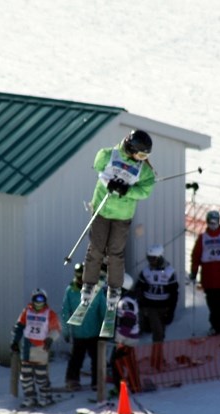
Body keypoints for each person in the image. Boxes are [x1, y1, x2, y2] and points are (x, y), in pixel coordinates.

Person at [80, 130, 156, 312]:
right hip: (102, 209)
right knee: (96, 249)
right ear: (131, 148)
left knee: (116, 253)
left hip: (122, 215)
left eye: (146, 155)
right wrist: (111, 182)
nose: (142, 158)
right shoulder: (109, 155)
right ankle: (89, 284)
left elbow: (146, 189)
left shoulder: (143, 169)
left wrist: (127, 190)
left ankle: (114, 288)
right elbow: (98, 165)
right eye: (141, 153)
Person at [10, 288, 61, 408]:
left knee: (40, 376)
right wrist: (14, 342)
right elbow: (19, 327)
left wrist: (50, 338)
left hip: (41, 347)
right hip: (27, 346)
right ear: (32, 300)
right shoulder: (26, 312)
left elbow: (56, 330)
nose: (39, 302)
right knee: (26, 376)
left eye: (41, 299)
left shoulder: (50, 313)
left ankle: (45, 397)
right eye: (36, 299)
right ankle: (29, 397)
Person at [61, 263, 106, 391]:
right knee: (76, 357)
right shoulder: (71, 290)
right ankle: (72, 379)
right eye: (79, 278)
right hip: (79, 332)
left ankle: (97, 381)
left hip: (94, 331)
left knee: (97, 358)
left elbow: (103, 309)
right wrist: (66, 331)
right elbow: (65, 311)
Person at [137, 244, 179, 371]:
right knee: (158, 334)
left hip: (164, 307)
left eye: (153, 258)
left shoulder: (169, 272)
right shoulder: (146, 272)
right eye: (149, 258)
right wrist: (143, 306)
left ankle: (158, 357)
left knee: (161, 334)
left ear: (160, 257)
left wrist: (171, 311)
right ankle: (156, 361)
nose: (151, 261)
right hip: (151, 307)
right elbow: (140, 289)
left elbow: (174, 293)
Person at [112, 274, 141, 393]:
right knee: (125, 362)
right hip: (128, 337)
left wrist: (119, 340)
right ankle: (132, 385)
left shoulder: (125, 302)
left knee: (116, 363)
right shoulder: (126, 299)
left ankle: (121, 389)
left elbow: (128, 322)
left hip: (127, 338)